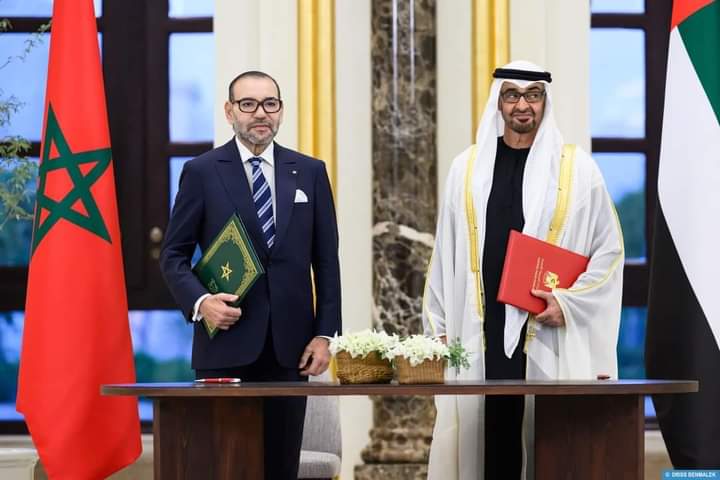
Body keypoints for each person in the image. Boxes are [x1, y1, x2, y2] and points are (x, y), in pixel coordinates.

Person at [422, 60, 624, 480]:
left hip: (545, 329)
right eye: (512, 95)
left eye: (533, 95)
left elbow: (609, 252)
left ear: (545, 102)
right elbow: (444, 255)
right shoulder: (466, 168)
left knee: (546, 443)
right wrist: (438, 328)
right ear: (498, 102)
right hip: (479, 330)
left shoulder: (577, 169)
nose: (522, 105)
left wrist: (568, 304)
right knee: (486, 442)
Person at [160, 70, 341, 480]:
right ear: (229, 111)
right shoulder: (202, 171)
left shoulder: (309, 171)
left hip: (292, 353)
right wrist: (201, 302)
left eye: (270, 104)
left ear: (281, 110)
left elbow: (327, 262)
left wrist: (325, 334)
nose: (261, 113)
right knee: (225, 468)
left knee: (280, 469)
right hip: (225, 348)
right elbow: (172, 255)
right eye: (249, 104)